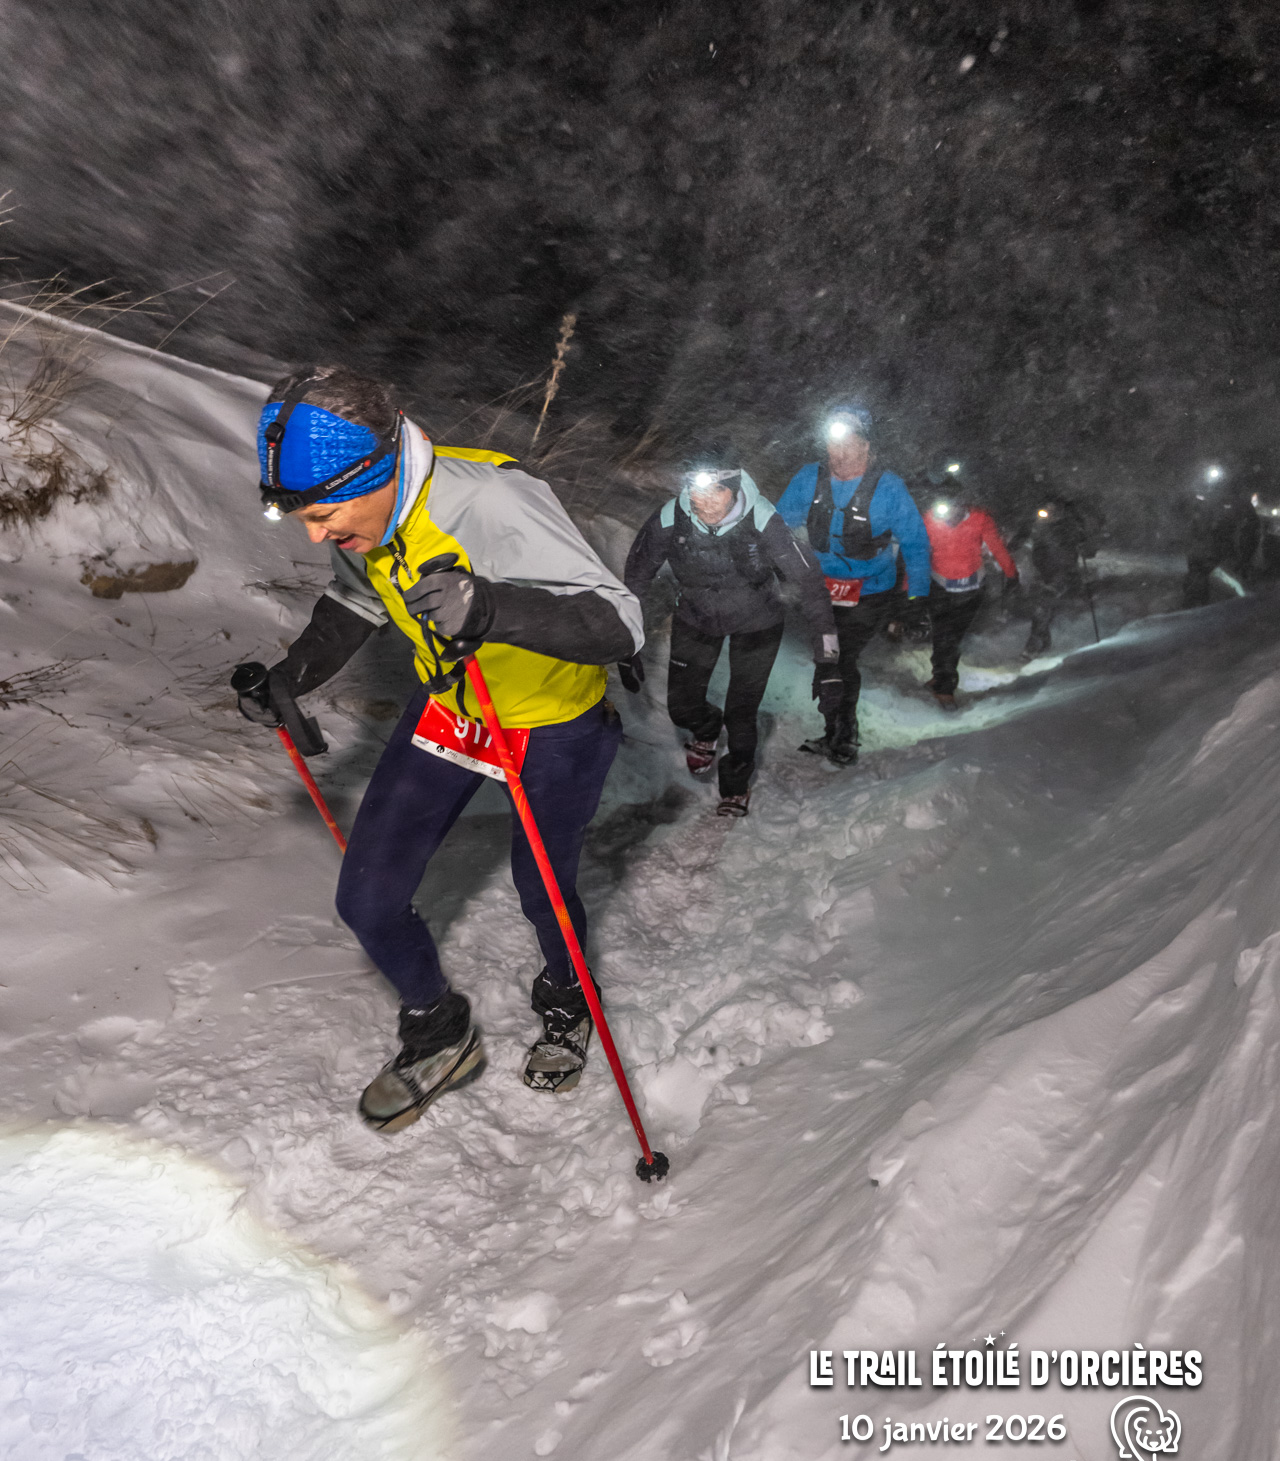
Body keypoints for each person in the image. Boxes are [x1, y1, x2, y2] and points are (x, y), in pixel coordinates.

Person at [232, 368, 643, 1132]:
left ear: (378, 473)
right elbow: (356, 597)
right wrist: (294, 677)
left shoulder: (491, 500)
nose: (315, 535)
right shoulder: (365, 519)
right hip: (454, 710)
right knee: (367, 898)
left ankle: (566, 998)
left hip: (553, 721)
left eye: (324, 515)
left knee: (542, 890)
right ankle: (440, 1032)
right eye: (303, 518)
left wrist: (490, 606)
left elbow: (621, 624)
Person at [623, 451, 838, 816]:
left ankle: (735, 787)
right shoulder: (671, 517)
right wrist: (625, 641)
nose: (704, 500)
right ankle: (706, 729)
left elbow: (810, 586)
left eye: (716, 491)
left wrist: (828, 661)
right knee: (681, 707)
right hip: (696, 617)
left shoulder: (763, 520)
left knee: (741, 714)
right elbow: (636, 577)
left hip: (758, 623)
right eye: (696, 489)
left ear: (735, 490)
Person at [776, 406, 930, 765]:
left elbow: (916, 544)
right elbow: (776, 525)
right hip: (821, 589)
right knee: (827, 658)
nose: (840, 454)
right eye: (834, 445)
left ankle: (845, 736)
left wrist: (916, 598)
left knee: (840, 658)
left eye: (849, 445)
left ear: (866, 447)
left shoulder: (888, 488)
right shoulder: (810, 479)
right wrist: (768, 564)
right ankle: (834, 729)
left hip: (869, 590)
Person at [921, 477, 1018, 707]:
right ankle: (941, 675)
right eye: (945, 502)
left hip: (971, 590)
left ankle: (945, 686)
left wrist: (1011, 573)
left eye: (955, 501)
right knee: (941, 634)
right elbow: (918, 552)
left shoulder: (980, 518)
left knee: (951, 637)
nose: (950, 509)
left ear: (963, 501)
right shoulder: (929, 520)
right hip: (940, 586)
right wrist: (910, 585)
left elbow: (996, 547)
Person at [1022, 493, 1099, 657]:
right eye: (1047, 509)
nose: (1049, 513)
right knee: (1038, 607)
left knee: (1043, 605)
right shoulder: (1039, 524)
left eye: (1053, 509)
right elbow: (1024, 537)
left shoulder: (1070, 525)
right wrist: (1009, 547)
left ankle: (1034, 645)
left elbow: (1088, 548)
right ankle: (1044, 641)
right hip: (1042, 572)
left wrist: (1084, 547)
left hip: (1063, 572)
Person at [1180, 465, 1260, 606]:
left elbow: (1248, 528)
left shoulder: (1236, 505)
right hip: (1212, 549)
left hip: (1222, 549)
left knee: (1226, 579)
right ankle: (1198, 601)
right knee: (1205, 576)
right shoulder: (1212, 503)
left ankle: (1237, 602)